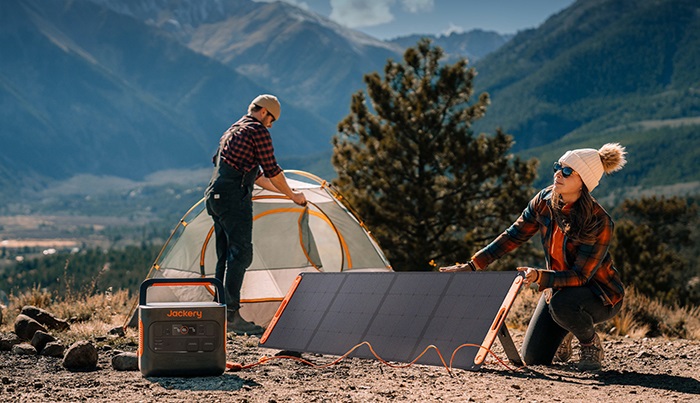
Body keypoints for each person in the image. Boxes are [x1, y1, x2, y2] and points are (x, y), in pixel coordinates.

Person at [440, 143, 627, 371]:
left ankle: (589, 343)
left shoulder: (599, 221)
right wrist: (473, 265)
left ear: (584, 183)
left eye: (568, 171)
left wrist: (540, 276)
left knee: (561, 304)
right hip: (558, 289)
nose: (558, 173)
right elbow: (513, 235)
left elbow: (581, 276)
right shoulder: (544, 201)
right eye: (558, 166)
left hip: (600, 295)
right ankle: (566, 327)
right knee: (534, 358)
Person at [205, 94, 307, 335]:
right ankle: (231, 316)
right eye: (272, 119)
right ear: (264, 112)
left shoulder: (232, 130)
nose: (270, 125)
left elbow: (258, 177)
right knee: (240, 255)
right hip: (233, 199)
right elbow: (272, 170)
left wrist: (287, 193)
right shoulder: (257, 131)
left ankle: (219, 311)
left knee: (224, 256)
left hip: (215, 197)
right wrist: (293, 197)